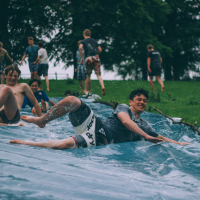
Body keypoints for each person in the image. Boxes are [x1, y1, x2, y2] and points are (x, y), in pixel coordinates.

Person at [10, 88, 190, 149]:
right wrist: (147, 136)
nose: (142, 103)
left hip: (102, 139)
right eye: (139, 100)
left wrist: (179, 144)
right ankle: (42, 120)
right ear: (131, 102)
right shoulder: (124, 107)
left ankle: (28, 143)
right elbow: (126, 122)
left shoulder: (145, 124)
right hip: (97, 125)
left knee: (62, 145)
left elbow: (160, 137)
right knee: (73, 100)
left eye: (145, 101)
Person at [79, 29, 106, 95]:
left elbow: (80, 48)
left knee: (88, 75)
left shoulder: (83, 41)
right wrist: (97, 54)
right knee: (98, 74)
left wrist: (81, 58)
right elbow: (100, 49)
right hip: (96, 57)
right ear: (90, 35)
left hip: (88, 58)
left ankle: (90, 91)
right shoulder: (94, 41)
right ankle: (102, 86)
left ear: (84, 34)